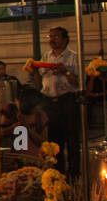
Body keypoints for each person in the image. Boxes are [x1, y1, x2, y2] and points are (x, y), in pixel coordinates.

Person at [28, 27, 82, 177]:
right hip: (49, 101)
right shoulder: (45, 57)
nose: (51, 39)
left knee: (72, 140)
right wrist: (34, 71)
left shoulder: (73, 57)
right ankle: (57, 173)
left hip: (68, 100)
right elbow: (40, 82)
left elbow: (79, 82)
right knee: (53, 140)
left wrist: (66, 71)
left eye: (56, 37)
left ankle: (73, 174)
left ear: (65, 39)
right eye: (50, 36)